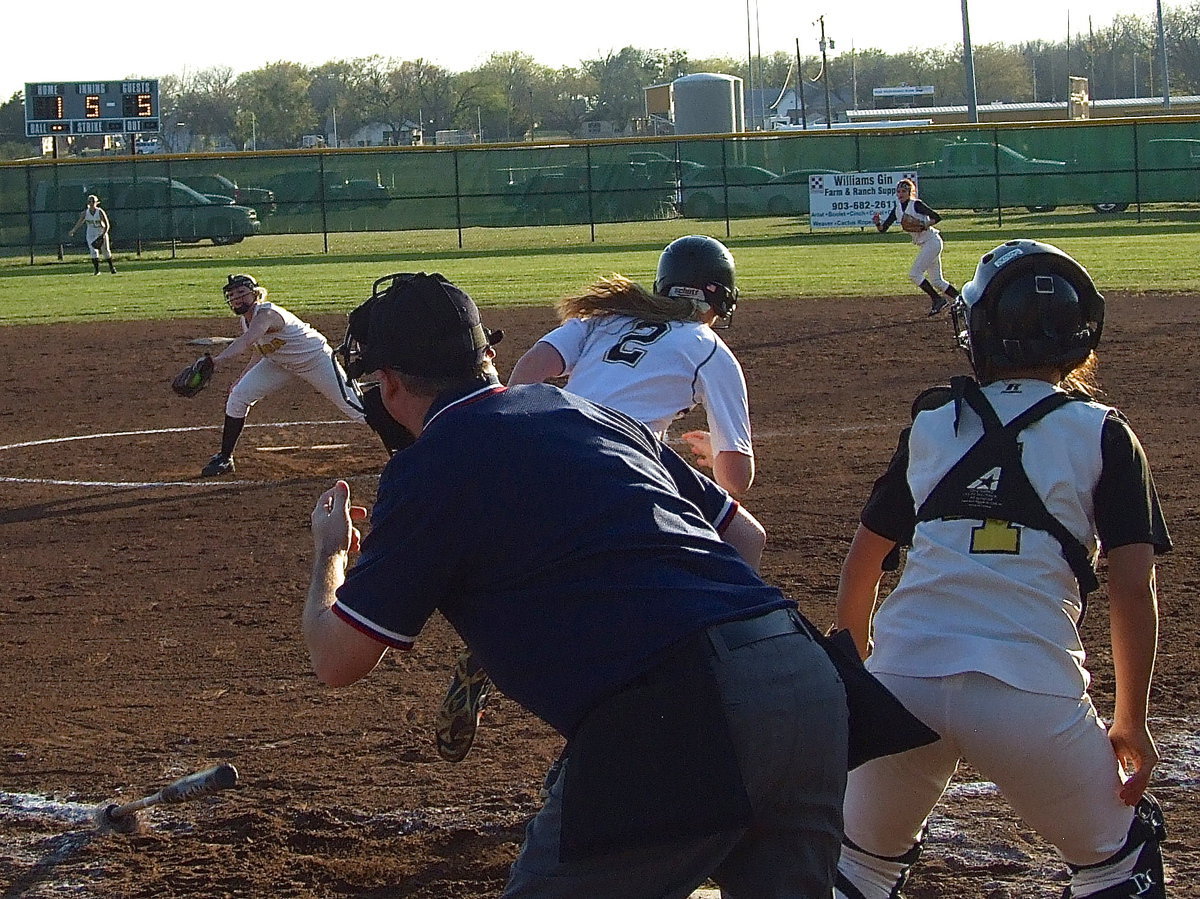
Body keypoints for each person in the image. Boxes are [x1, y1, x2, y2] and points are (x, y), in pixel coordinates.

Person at [303, 271, 850, 897]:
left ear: (392, 382)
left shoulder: (428, 468)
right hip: (804, 681)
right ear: (487, 355)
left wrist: (329, 554)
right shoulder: (590, 412)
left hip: (675, 713)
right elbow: (745, 537)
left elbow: (336, 658)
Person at [832, 240, 1171, 899]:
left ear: (976, 329)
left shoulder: (934, 420)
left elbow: (862, 566)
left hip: (905, 682)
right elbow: (1133, 587)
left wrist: (865, 681)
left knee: (856, 868)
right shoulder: (1104, 433)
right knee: (1116, 865)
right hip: (1030, 689)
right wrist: (1130, 718)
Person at [509, 234, 754, 498]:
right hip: (621, 469)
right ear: (724, 299)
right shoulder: (712, 350)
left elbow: (529, 369)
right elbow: (737, 479)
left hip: (557, 450)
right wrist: (718, 454)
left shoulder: (605, 319)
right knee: (748, 536)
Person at [197, 273, 372, 477]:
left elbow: (245, 342)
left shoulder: (266, 314)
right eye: (232, 294)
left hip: (315, 359)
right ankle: (225, 458)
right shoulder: (247, 321)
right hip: (280, 363)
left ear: (255, 294)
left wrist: (215, 361)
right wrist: (242, 377)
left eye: (241, 293)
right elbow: (259, 349)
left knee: (356, 410)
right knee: (238, 395)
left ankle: (405, 442)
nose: (236, 298)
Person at [872, 178, 956, 317]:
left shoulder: (916, 204)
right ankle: (963, 301)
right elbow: (883, 229)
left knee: (914, 274)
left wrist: (924, 225)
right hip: (926, 245)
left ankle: (937, 299)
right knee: (937, 281)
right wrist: (877, 223)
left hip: (932, 241)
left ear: (910, 192)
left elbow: (936, 217)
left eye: (904, 191)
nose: (900, 194)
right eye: (898, 191)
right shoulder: (897, 209)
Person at [67, 194, 116, 275]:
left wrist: (103, 235)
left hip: (100, 231)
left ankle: (111, 267)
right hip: (90, 233)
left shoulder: (99, 211)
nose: (91, 203)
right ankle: (97, 270)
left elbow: (107, 225)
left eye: (93, 201)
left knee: (106, 251)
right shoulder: (85, 213)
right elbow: (80, 222)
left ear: (96, 202)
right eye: (89, 201)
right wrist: (73, 230)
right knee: (93, 251)